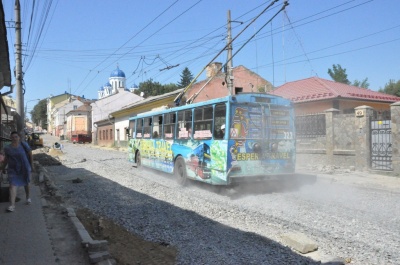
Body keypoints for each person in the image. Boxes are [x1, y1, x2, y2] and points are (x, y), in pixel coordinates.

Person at [3, 131, 34, 212]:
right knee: (12, 185)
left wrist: (32, 165)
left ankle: (28, 197)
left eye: (16, 137)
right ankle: (12, 205)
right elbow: (6, 159)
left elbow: (30, 154)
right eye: (12, 137)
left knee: (26, 182)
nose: (14, 138)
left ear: (19, 137)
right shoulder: (7, 148)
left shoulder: (24, 145)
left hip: (24, 167)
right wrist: (2, 167)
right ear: (10, 138)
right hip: (13, 169)